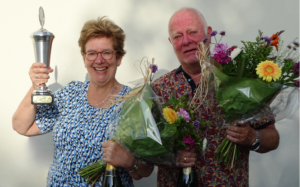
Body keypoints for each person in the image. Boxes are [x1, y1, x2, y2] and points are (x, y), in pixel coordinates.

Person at [12, 16, 153, 187]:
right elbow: (22, 126)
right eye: (92, 53)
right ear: (84, 58)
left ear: (119, 58)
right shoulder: (71, 93)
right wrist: (35, 86)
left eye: (107, 52)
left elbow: (145, 171)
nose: (99, 60)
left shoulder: (133, 102)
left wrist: (129, 161)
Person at [152, 8, 280, 187]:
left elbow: (272, 136)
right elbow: (146, 152)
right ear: (171, 42)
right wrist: (170, 157)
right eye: (178, 36)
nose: (186, 41)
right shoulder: (158, 89)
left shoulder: (237, 78)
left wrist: (253, 137)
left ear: (209, 33)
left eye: (192, 32)